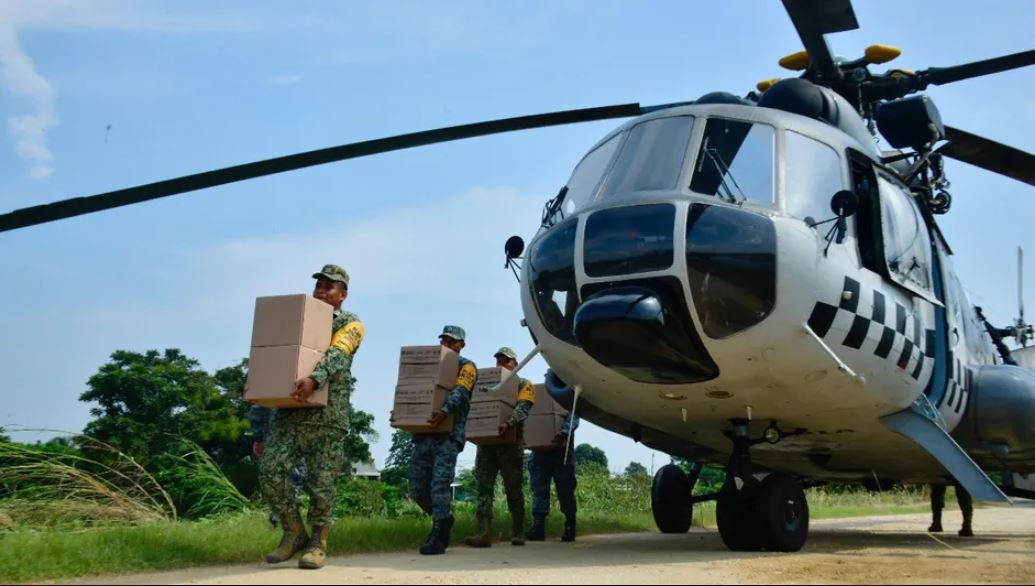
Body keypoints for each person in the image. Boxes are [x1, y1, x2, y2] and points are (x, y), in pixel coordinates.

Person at [258, 264, 365, 570]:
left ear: (342, 294)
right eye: (319, 284)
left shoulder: (351, 323)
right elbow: (274, 354)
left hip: (327, 417)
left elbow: (338, 354)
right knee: (270, 471)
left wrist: (315, 380)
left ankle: (319, 542)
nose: (321, 289)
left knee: (322, 484)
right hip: (289, 414)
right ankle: (293, 532)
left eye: (329, 286)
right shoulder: (296, 321)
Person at [409, 325, 477, 555]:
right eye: (444, 340)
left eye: (452, 341)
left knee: (439, 485)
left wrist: (445, 410)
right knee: (417, 489)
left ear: (461, 344)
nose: (446, 344)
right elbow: (412, 390)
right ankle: (445, 518)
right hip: (424, 434)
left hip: (448, 435)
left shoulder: (466, 366)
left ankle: (438, 534)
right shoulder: (429, 365)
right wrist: (403, 413)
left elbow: (460, 392)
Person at [464, 347, 536, 548]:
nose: (501, 364)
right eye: (498, 361)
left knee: (513, 488)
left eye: (506, 360)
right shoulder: (486, 384)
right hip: (486, 444)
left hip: (510, 445)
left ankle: (518, 532)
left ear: (515, 363)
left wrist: (509, 423)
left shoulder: (524, 384)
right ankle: (484, 533)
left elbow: (524, 407)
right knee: (483, 489)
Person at [248, 403, 308, 527]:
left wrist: (258, 438)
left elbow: (257, 408)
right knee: (294, 476)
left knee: (280, 477)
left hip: (278, 437)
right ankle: (283, 518)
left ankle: (281, 517)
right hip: (292, 434)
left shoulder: (269, 387)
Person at [526, 407, 580, 543]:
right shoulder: (537, 401)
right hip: (539, 453)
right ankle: (538, 527)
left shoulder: (567, 398)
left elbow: (574, 417)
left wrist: (564, 432)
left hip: (561, 453)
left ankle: (570, 526)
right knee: (539, 491)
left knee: (565, 491)